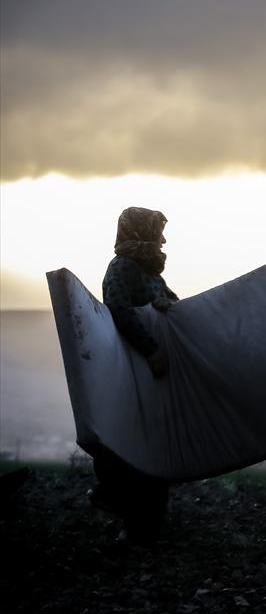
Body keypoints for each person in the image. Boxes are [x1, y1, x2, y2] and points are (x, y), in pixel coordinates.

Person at [89, 207, 179, 541]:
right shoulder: (122, 268)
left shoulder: (149, 272)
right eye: (157, 233)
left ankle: (147, 530)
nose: (163, 240)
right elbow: (118, 308)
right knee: (128, 449)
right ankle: (129, 522)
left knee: (156, 448)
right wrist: (151, 348)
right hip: (131, 373)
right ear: (139, 233)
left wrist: (171, 307)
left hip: (153, 380)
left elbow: (168, 302)